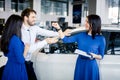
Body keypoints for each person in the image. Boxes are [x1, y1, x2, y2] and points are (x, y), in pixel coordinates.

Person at [52, 14, 106, 80]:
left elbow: (101, 56)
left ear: (94, 23)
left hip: (91, 66)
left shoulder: (101, 39)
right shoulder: (81, 35)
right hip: (80, 63)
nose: (85, 23)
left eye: (88, 22)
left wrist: (94, 56)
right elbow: (65, 40)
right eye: (86, 21)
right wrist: (58, 28)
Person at [21, 8, 60, 80]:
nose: (35, 19)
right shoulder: (20, 31)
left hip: (29, 62)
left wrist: (61, 34)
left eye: (35, 17)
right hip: (21, 63)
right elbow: (28, 49)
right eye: (33, 17)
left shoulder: (34, 28)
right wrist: (46, 41)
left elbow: (47, 32)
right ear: (25, 17)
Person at [1, 14, 29, 80]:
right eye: (21, 24)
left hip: (9, 68)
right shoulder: (16, 40)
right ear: (17, 26)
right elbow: (21, 60)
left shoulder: (7, 37)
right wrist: (26, 49)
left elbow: (6, 54)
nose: (22, 26)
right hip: (17, 70)